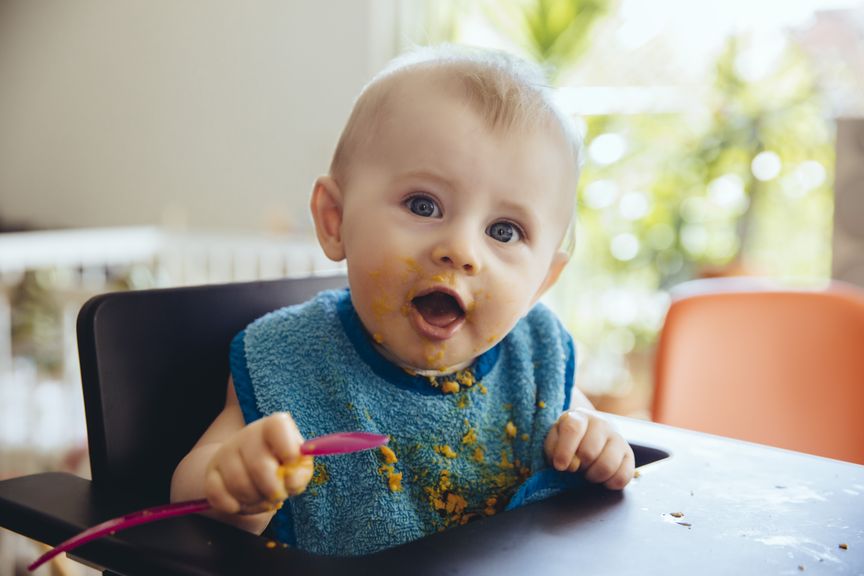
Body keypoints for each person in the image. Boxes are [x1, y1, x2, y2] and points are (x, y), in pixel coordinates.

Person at [171, 44, 634, 556]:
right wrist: (234, 484)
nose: (461, 250)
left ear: (542, 282)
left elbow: (577, 423)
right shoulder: (291, 359)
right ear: (335, 220)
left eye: (504, 231)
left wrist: (597, 442)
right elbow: (190, 493)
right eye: (424, 204)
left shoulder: (537, 359)